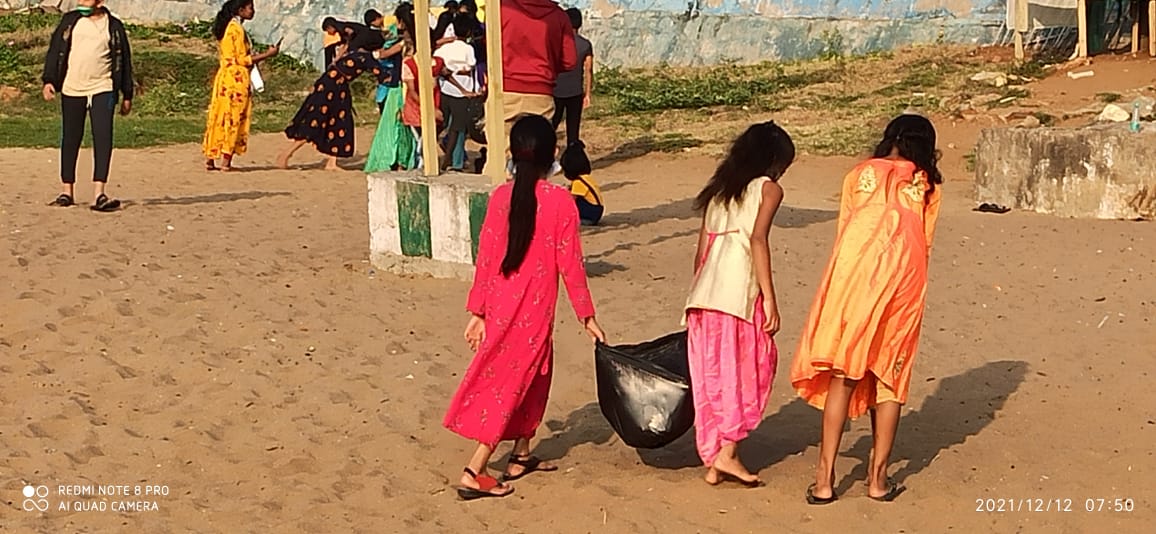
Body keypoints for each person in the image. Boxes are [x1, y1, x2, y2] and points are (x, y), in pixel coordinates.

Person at [444, 114, 605, 500]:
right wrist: (587, 315)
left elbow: (486, 258)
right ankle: (475, 468)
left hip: (501, 304)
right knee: (511, 382)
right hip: (531, 313)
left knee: (535, 375)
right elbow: (572, 265)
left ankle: (521, 453)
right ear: (552, 156)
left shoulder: (502, 196)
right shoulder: (560, 202)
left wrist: (478, 311)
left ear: (514, 155)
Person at [790, 114, 943, 505]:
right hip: (906, 281)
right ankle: (878, 479)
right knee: (891, 375)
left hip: (854, 275)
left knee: (845, 370)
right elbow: (925, 244)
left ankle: (824, 481)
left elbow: (845, 231)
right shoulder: (925, 184)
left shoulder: (858, 174)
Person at [682, 121, 794, 488]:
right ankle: (728, 452)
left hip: (703, 295)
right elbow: (758, 241)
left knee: (712, 373)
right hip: (737, 292)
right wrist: (770, 297)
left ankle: (717, 455)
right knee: (749, 368)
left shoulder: (718, 191)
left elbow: (701, 252)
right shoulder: (768, 190)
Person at [41, 0, 132, 212]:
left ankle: (99, 193)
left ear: (100, 1)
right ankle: (67, 191)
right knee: (71, 137)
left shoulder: (114, 26)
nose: (81, 2)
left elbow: (124, 61)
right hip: (73, 87)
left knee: (102, 136)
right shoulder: (70, 21)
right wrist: (49, 80)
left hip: (103, 86)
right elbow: (55, 52)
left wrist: (127, 94)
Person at [482, 0, 576, 177]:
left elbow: (489, 46)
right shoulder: (559, 15)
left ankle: (497, 201)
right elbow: (569, 61)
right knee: (538, 160)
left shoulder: (501, 9)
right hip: (541, 93)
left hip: (504, 89)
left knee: (498, 161)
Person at [277, 27, 389, 171]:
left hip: (330, 84)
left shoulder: (354, 53)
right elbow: (381, 75)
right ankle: (286, 154)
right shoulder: (366, 58)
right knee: (316, 122)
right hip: (334, 88)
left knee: (336, 122)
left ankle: (332, 162)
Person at [203, 0, 280, 172]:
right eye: (250, 8)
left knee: (219, 117)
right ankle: (226, 161)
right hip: (236, 78)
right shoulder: (236, 29)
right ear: (241, 10)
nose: (253, 11)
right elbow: (240, 59)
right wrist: (267, 54)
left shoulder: (229, 28)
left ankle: (211, 158)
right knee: (234, 118)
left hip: (225, 78)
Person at [434, 14, 480, 172]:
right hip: (463, 92)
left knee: (448, 124)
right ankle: (456, 161)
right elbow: (471, 66)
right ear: (468, 32)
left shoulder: (443, 49)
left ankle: (451, 153)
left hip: (445, 89)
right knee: (459, 129)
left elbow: (438, 66)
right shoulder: (468, 49)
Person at [551, 8, 593, 146]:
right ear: (580, 24)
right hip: (575, 92)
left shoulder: (556, 42)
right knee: (573, 131)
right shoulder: (585, 44)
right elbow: (589, 69)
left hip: (556, 91)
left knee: (551, 126)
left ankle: (547, 157)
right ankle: (573, 159)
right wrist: (587, 94)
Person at [559, 141, 602, 226]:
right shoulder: (586, 178)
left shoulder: (579, 182)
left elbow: (572, 198)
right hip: (597, 210)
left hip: (590, 213)